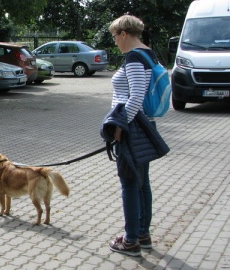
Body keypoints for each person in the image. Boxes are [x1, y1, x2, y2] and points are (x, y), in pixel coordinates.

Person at [107, 15, 157, 257]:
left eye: (115, 36)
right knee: (141, 183)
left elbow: (136, 96)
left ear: (124, 34)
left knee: (129, 184)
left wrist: (120, 126)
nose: (115, 41)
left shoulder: (135, 57)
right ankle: (142, 234)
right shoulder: (149, 54)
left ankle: (130, 241)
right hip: (143, 126)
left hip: (132, 129)